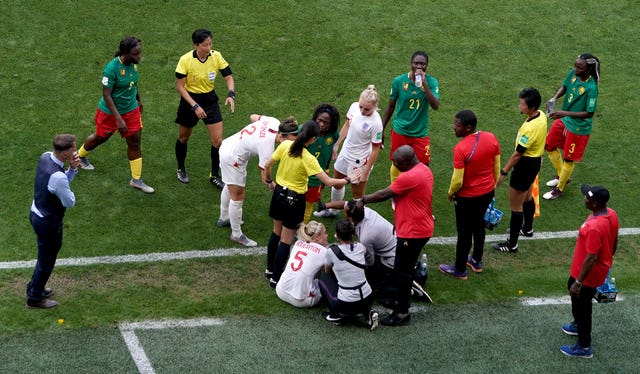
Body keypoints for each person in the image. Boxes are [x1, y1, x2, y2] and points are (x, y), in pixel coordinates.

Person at [263, 121, 360, 287]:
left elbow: (267, 165)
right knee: (286, 240)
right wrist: (349, 178)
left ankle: (269, 270)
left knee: (275, 233)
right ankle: (275, 279)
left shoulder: (286, 145)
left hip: (279, 193)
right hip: (294, 200)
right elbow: (329, 182)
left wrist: (270, 181)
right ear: (313, 139)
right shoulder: (308, 158)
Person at [358, 145, 434, 326]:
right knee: (403, 268)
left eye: (397, 163)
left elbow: (385, 194)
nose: (394, 165)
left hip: (412, 232)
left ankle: (402, 312)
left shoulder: (409, 177)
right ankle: (407, 287)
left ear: (407, 162)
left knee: (401, 271)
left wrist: (363, 200)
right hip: (420, 227)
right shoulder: (423, 169)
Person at [77, 36, 154, 193]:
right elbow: (107, 95)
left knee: (134, 142)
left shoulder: (133, 64)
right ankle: (79, 157)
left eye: (139, 53)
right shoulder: (111, 69)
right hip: (110, 113)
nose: (139, 57)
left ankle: (136, 180)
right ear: (125, 53)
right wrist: (118, 119)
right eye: (135, 54)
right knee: (101, 137)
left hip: (131, 109)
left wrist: (138, 100)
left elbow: (133, 83)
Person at [217, 115, 299, 247]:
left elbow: (253, 117)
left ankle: (225, 217)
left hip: (229, 145)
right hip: (233, 158)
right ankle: (236, 234)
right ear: (283, 137)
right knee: (237, 195)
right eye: (291, 141)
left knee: (230, 184)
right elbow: (264, 177)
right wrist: (274, 186)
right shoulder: (267, 147)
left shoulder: (273, 122)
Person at [439, 110, 501, 279]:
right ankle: (476, 260)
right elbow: (496, 167)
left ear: (468, 128)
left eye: (457, 125)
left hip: (467, 198)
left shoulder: (460, 149)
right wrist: (492, 187)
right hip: (487, 192)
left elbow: (458, 180)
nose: (454, 128)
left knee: (464, 232)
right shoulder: (491, 138)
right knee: (479, 226)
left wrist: (451, 193)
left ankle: (459, 270)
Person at [560, 184, 618, 358]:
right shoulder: (611, 214)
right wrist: (608, 260)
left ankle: (584, 346)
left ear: (595, 204)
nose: (584, 198)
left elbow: (591, 257)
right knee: (575, 296)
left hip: (587, 274)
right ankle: (577, 325)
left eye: (588, 198)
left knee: (583, 305)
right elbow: (614, 240)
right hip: (591, 269)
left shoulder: (594, 227)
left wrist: (579, 282)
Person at [174, 28, 235, 188]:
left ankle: (214, 175)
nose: (209, 48)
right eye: (205, 45)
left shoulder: (216, 56)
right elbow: (180, 87)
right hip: (189, 101)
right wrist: (194, 106)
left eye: (210, 44)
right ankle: (181, 168)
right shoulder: (185, 60)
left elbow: (228, 77)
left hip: (210, 100)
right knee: (183, 137)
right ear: (196, 45)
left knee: (217, 141)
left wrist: (231, 93)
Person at [26, 134, 81, 309]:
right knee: (46, 260)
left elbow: (54, 185)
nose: (76, 151)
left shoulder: (45, 156)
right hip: (48, 223)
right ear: (65, 154)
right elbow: (69, 202)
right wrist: (71, 172)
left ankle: (36, 287)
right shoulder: (58, 177)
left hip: (37, 213)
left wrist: (71, 170)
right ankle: (34, 297)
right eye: (74, 148)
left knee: (45, 258)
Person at [314, 85, 383, 217]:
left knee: (357, 195)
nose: (362, 111)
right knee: (337, 183)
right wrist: (336, 145)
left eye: (367, 109)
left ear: (375, 107)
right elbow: (347, 124)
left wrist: (365, 172)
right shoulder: (354, 107)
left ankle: (356, 221)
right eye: (361, 106)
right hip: (345, 153)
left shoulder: (376, 123)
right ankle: (334, 211)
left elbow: (375, 150)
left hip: (360, 161)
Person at [492, 88, 547, 253]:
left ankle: (512, 244)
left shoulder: (529, 129)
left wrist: (503, 172)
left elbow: (517, 155)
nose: (519, 106)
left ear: (531, 107)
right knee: (528, 196)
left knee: (516, 206)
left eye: (522, 104)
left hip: (524, 166)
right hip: (534, 162)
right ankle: (528, 229)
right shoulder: (541, 116)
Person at [543, 53, 600, 200]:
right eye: (575, 65)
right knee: (549, 145)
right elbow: (565, 86)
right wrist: (554, 98)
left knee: (569, 158)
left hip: (578, 127)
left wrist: (564, 113)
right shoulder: (573, 74)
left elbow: (589, 113)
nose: (575, 69)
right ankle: (563, 176)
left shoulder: (592, 88)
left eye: (579, 67)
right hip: (565, 118)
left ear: (588, 70)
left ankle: (559, 188)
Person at [381, 50, 439, 182]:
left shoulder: (432, 82)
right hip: (401, 130)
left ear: (427, 66)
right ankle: (396, 193)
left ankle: (419, 190)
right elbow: (390, 106)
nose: (419, 67)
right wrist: (381, 128)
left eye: (422, 64)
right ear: (411, 64)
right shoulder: (399, 81)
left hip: (420, 132)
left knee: (424, 165)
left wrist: (424, 84)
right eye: (416, 63)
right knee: (397, 162)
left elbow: (435, 105)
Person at [318, 219, 378, 330]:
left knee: (322, 276)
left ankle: (335, 315)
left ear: (337, 235)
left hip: (346, 304)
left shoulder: (332, 251)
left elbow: (326, 271)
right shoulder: (361, 247)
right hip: (368, 298)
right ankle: (367, 312)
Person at [275, 221, 329, 308]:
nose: (327, 236)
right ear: (316, 237)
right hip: (300, 301)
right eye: (325, 233)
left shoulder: (298, 243)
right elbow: (328, 270)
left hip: (280, 290)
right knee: (326, 278)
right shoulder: (324, 251)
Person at [304, 103, 341, 222]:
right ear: (315, 118)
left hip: (317, 178)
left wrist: (326, 170)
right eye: (319, 120)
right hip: (301, 175)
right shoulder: (304, 130)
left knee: (309, 204)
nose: (321, 124)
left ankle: (302, 227)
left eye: (326, 122)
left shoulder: (334, 135)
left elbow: (328, 155)